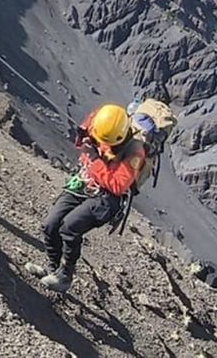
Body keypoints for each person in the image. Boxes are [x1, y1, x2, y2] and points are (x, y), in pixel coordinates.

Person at [26, 103, 145, 293]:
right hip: (84, 183)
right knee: (51, 225)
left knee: (70, 226)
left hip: (106, 198)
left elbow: (117, 185)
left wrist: (96, 161)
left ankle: (64, 276)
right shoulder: (99, 121)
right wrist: (83, 138)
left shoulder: (134, 152)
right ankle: (53, 268)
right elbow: (81, 142)